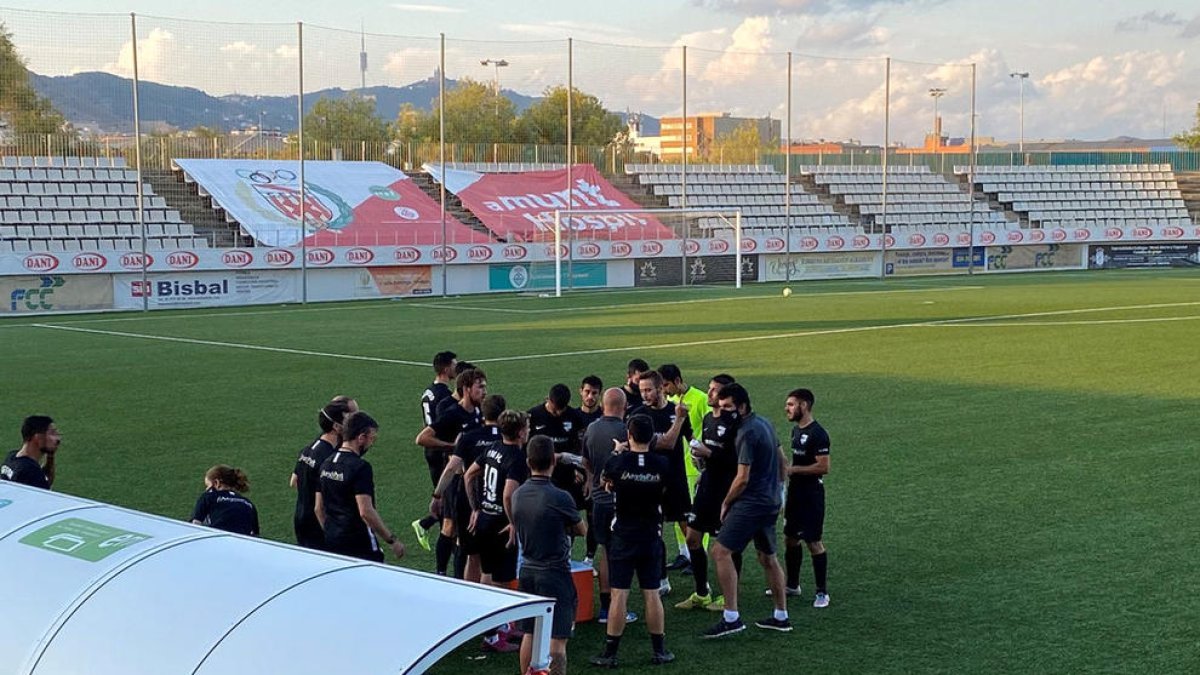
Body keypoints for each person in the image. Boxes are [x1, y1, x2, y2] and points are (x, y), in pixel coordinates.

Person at [703, 383, 792, 638]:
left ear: (741, 407)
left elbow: (742, 477)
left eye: (728, 407)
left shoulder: (746, 432)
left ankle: (731, 617)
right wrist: (780, 492)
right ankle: (781, 615)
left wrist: (726, 502)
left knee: (720, 552)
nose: (723, 411)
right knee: (768, 557)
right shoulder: (764, 423)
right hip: (769, 500)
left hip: (752, 502)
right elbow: (782, 461)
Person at [590, 415, 674, 667]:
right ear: (652, 437)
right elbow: (666, 491)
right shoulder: (662, 464)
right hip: (650, 535)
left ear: (629, 435)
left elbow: (605, 483)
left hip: (623, 536)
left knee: (619, 594)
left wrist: (617, 451)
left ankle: (610, 653)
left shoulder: (617, 462)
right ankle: (659, 651)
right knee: (652, 594)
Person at [512, 435, 587, 675]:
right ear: (553, 462)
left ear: (528, 462)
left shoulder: (518, 494)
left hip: (527, 569)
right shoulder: (560, 497)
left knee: (530, 632)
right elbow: (582, 530)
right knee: (557, 639)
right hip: (555, 573)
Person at [464, 409, 530, 653]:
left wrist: (476, 508)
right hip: (500, 525)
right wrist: (513, 522)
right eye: (527, 427)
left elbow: (469, 474)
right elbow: (508, 494)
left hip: (484, 519)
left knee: (488, 573)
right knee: (499, 580)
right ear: (521, 432)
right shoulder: (516, 457)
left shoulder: (493, 448)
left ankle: (499, 627)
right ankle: (492, 635)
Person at [675, 374, 740, 612]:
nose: (710, 393)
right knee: (693, 538)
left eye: (715, 390)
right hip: (707, 486)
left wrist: (709, 454)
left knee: (727, 544)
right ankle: (702, 592)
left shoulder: (735, 424)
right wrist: (700, 462)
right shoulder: (707, 419)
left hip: (727, 490)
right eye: (710, 388)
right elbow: (709, 453)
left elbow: (737, 461)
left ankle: (728, 596)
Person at [415, 368, 486, 573]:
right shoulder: (453, 414)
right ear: (466, 389)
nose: (484, 391)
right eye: (480, 387)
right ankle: (442, 572)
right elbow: (422, 438)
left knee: (463, 533)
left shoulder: (479, 412)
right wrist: (452, 447)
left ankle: (454, 576)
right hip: (456, 481)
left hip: (473, 480)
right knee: (452, 529)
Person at [430, 393, 506, 583]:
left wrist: (437, 495)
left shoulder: (469, 437)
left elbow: (450, 469)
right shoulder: (508, 439)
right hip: (497, 501)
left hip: (469, 500)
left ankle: (470, 594)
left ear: (482, 413)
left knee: (472, 556)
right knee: (494, 562)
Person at [629, 370, 692, 596]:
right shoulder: (638, 415)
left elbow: (690, 439)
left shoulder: (676, 411)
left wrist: (699, 456)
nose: (644, 395)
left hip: (676, 480)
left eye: (648, 390)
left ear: (660, 389)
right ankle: (662, 579)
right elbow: (666, 444)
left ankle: (700, 577)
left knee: (690, 530)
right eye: (641, 390)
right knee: (656, 532)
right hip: (651, 483)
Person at [316, 412, 406, 562]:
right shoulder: (360, 467)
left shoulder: (326, 463)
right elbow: (365, 511)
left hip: (332, 539)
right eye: (372, 438)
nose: (371, 444)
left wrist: (332, 533)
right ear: (361, 438)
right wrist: (392, 540)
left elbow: (318, 508)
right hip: (359, 543)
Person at [582, 387, 637, 626]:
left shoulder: (592, 429)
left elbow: (585, 461)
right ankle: (618, 607)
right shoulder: (626, 432)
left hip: (598, 500)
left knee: (605, 551)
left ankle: (606, 608)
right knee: (623, 555)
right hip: (621, 501)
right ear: (624, 407)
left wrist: (594, 479)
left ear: (603, 405)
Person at [783, 388, 831, 608]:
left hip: (811, 494)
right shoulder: (795, 431)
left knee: (813, 542)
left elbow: (824, 467)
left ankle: (822, 592)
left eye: (791, 404)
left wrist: (794, 470)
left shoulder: (818, 433)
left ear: (804, 406)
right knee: (790, 538)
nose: (787, 408)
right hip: (795, 492)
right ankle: (792, 585)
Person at [659, 363, 710, 573]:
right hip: (677, 466)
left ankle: (699, 555)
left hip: (695, 467)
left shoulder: (700, 398)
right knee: (677, 515)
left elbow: (709, 427)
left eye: (666, 385)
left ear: (678, 381)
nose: (664, 390)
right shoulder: (669, 403)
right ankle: (684, 554)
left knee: (694, 514)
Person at [291, 397, 356, 549]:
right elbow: (319, 507)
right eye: (347, 422)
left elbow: (294, 481)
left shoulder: (309, 449)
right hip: (317, 523)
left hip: (301, 516)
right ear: (336, 426)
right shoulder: (328, 457)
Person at [412, 351, 458, 547]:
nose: (456, 368)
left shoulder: (428, 392)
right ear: (446, 369)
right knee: (449, 501)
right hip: (441, 450)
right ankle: (442, 537)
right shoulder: (445, 396)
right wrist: (451, 446)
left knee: (445, 499)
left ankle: (427, 523)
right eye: (454, 365)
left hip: (431, 450)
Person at [578, 375, 604, 566]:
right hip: (575, 475)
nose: (590, 397)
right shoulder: (573, 415)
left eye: (594, 393)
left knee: (593, 517)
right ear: (581, 391)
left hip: (596, 477)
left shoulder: (604, 417)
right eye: (587, 392)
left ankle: (589, 558)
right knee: (568, 517)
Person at [191, 465, 260, 537]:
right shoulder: (248, 503)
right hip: (240, 542)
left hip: (218, 539)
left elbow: (195, 524)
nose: (206, 489)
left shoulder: (209, 496)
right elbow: (255, 535)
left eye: (207, 485)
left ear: (217, 483)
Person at [1, 415, 60, 489]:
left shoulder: (12, 457)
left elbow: (45, 480)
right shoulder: (30, 472)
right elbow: (43, 491)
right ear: (38, 437)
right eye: (52, 433)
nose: (58, 439)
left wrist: (50, 456)